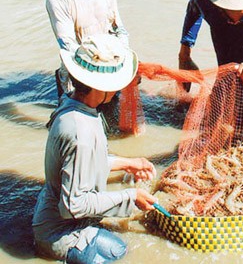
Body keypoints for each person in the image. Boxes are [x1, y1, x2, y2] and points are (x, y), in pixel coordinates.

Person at [32, 34, 158, 263]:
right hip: (59, 233)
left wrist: (129, 162)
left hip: (52, 215)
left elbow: (86, 161)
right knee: (113, 257)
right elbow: (73, 206)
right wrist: (131, 196)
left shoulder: (74, 104)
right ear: (101, 87)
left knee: (119, 250)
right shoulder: (80, 132)